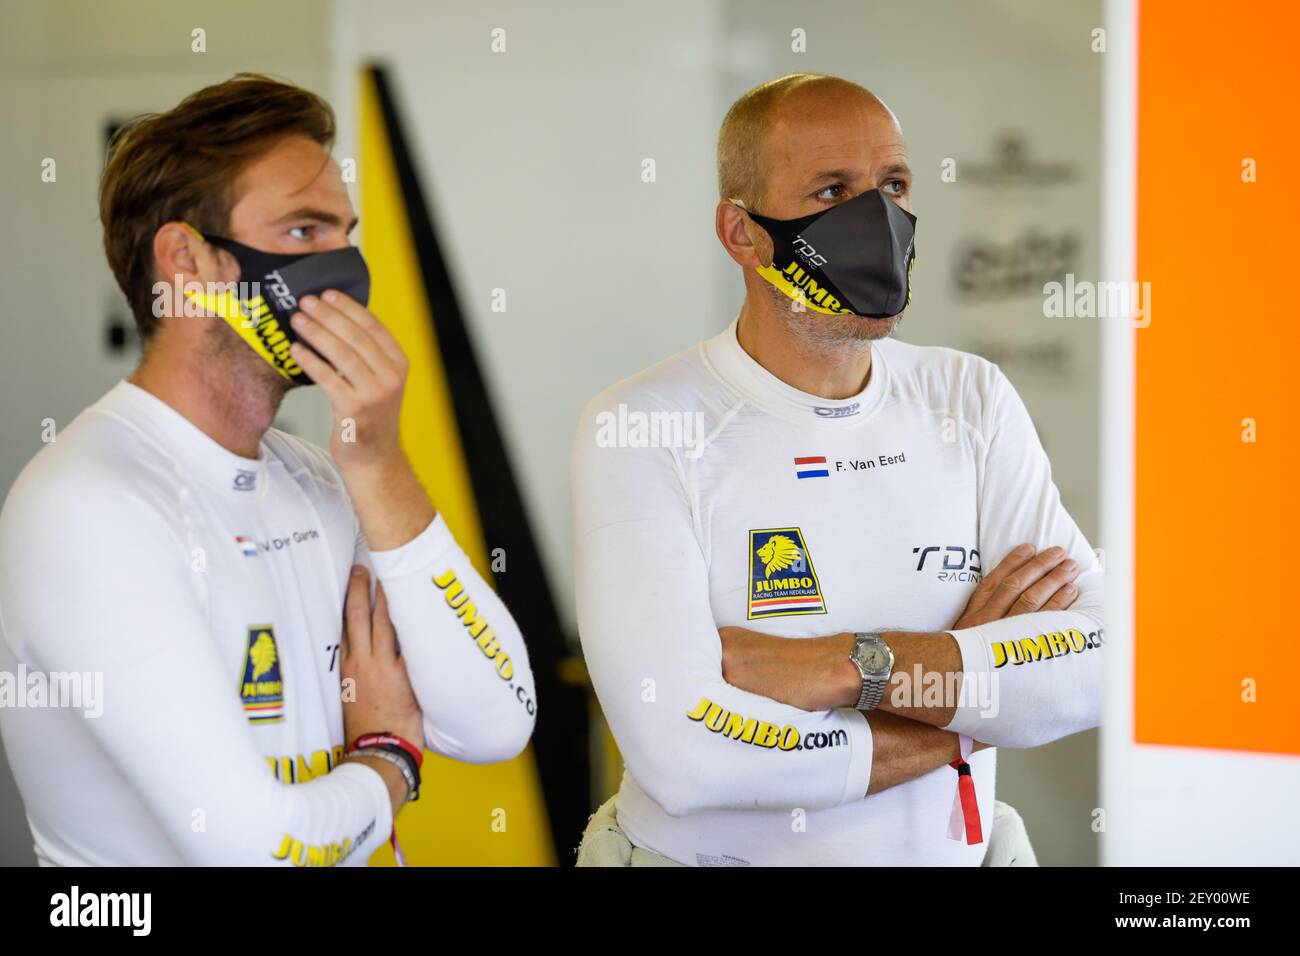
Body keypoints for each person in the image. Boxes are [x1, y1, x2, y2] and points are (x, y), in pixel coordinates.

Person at [0, 74, 535, 866]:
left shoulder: (323, 476)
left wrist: (380, 463)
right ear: (186, 259)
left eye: (345, 234)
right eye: (302, 233)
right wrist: (389, 757)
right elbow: (259, 850)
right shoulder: (85, 506)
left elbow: (496, 721)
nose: (345, 268)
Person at [571, 73, 1103, 866]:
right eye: (833, 190)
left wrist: (844, 665)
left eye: (893, 184)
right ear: (742, 233)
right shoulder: (644, 424)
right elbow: (682, 758)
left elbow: (1096, 665)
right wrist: (974, 693)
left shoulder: (970, 396)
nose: (878, 218)